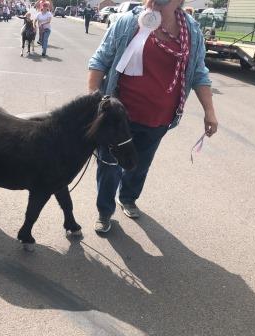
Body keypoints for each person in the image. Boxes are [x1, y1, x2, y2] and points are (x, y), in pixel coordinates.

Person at [88, 0, 218, 232]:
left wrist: (209, 111)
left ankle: (128, 197)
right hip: (118, 117)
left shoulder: (192, 32)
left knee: (140, 164)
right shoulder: (129, 22)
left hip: (159, 118)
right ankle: (105, 211)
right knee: (109, 165)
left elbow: (199, 72)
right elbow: (101, 60)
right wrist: (93, 101)